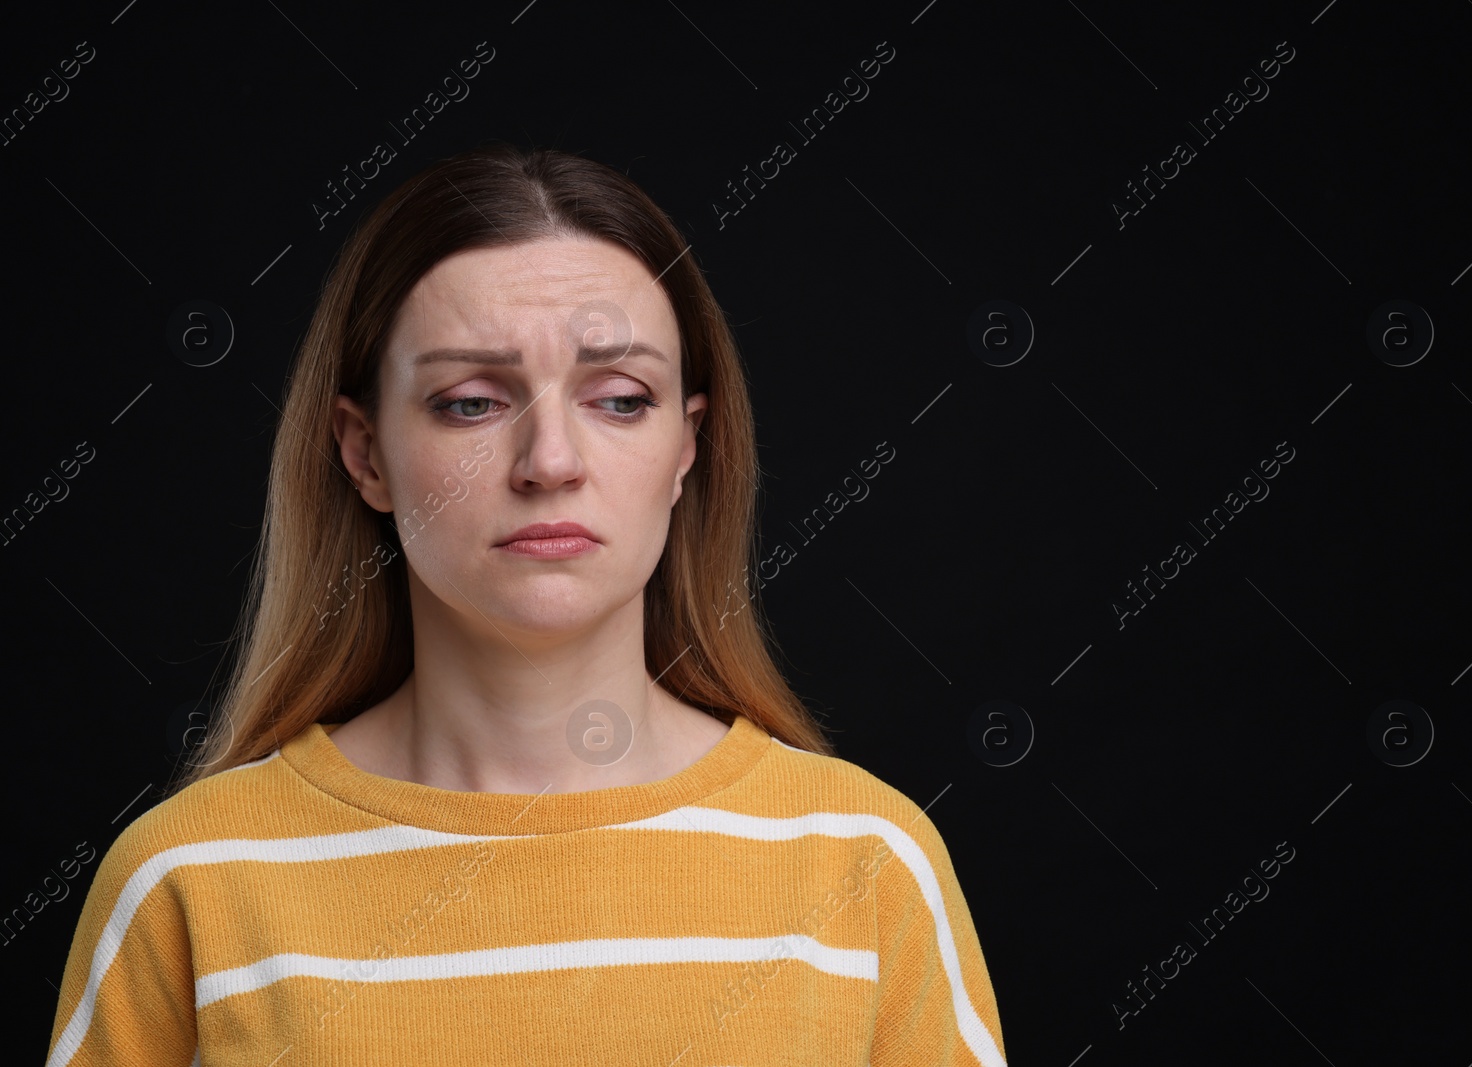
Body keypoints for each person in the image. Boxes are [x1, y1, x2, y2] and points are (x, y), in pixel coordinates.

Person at [46, 142, 1007, 1066]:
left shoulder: (868, 864)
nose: (550, 461)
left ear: (687, 444)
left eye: (621, 398)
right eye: (471, 401)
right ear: (364, 451)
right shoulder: (186, 880)